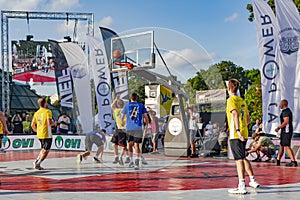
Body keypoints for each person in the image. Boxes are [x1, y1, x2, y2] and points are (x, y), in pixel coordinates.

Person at [226, 79, 260, 194]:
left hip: (236, 134)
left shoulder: (231, 100)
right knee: (243, 157)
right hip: (244, 133)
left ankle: (241, 185)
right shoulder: (242, 100)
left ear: (229, 88)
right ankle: (252, 180)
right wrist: (243, 129)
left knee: (238, 159)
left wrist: (237, 130)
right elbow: (248, 119)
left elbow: (234, 113)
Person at [121, 92, 149, 169]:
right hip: (138, 127)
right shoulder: (141, 105)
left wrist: (122, 124)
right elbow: (146, 117)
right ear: (137, 98)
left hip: (129, 127)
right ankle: (137, 161)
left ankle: (131, 161)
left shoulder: (126, 105)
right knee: (136, 145)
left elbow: (122, 117)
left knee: (129, 144)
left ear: (130, 98)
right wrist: (146, 126)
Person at [31, 98, 55, 170]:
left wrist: (37, 131)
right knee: (46, 150)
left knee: (43, 148)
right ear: (45, 104)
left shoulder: (36, 113)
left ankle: (36, 161)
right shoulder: (48, 111)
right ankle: (38, 164)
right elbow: (49, 123)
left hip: (40, 134)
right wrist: (55, 124)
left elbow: (32, 125)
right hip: (47, 134)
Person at [275, 99, 298, 167]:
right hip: (284, 131)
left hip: (286, 131)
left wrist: (278, 127)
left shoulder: (286, 112)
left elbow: (286, 121)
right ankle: (278, 160)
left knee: (287, 146)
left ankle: (293, 161)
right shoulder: (285, 111)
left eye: (280, 104)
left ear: (283, 104)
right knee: (282, 145)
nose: (279, 105)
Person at [110, 94, 130, 165]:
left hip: (123, 129)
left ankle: (122, 157)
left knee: (123, 145)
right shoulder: (117, 110)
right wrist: (118, 100)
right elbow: (112, 106)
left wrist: (116, 99)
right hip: (119, 129)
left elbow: (112, 105)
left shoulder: (124, 110)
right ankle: (117, 156)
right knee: (115, 144)